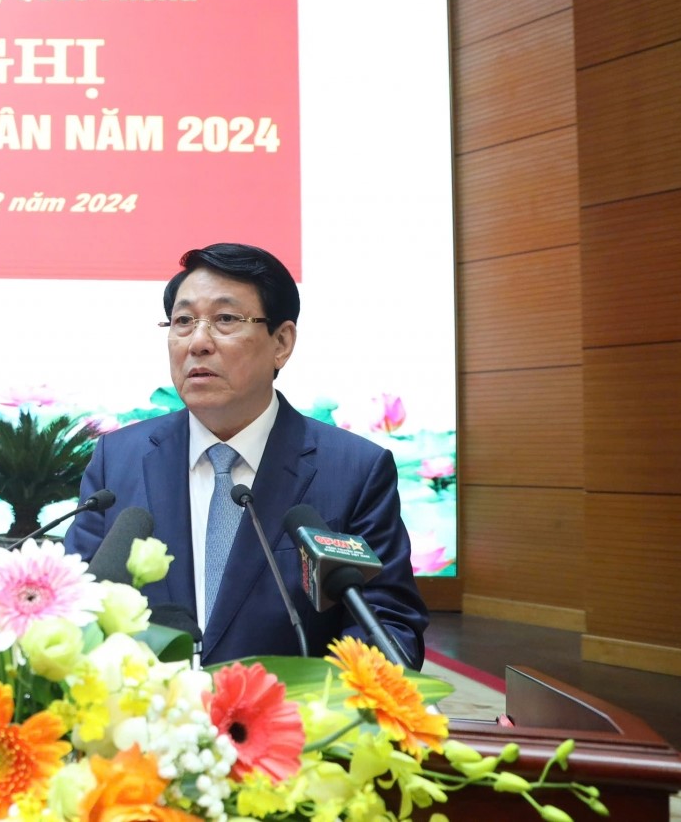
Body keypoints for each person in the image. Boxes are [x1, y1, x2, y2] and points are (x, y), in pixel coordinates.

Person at [63, 242, 428, 667]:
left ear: (281, 342)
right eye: (183, 321)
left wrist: (317, 702)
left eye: (225, 319)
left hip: (291, 708)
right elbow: (75, 602)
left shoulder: (353, 471)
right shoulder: (117, 459)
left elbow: (385, 622)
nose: (198, 342)